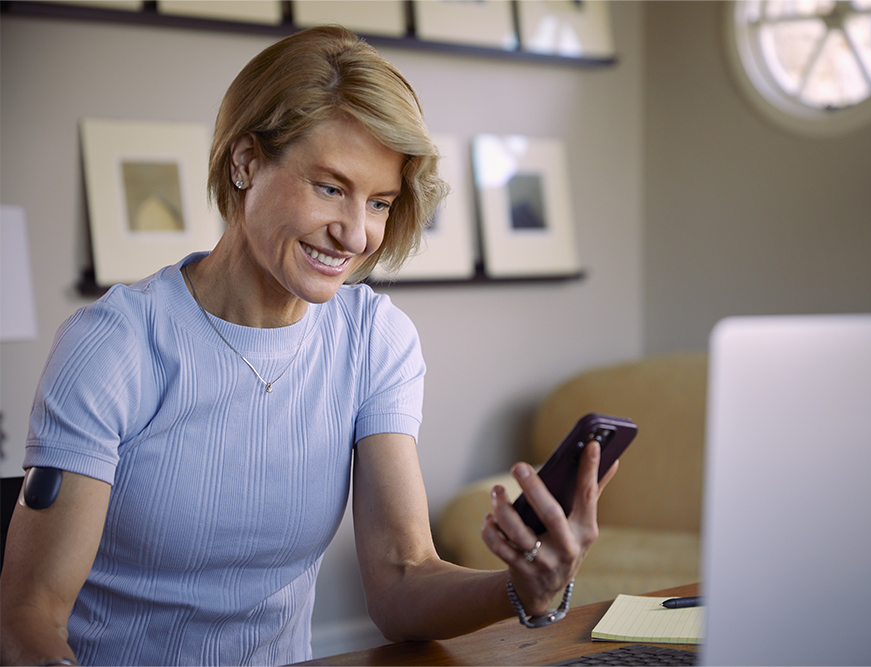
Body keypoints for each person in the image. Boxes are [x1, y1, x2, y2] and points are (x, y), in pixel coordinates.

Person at [0, 26, 619, 667]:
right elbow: (28, 615)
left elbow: (403, 579)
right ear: (245, 162)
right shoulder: (115, 344)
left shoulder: (374, 340)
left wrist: (522, 587)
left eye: (379, 201)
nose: (355, 234)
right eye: (329, 187)